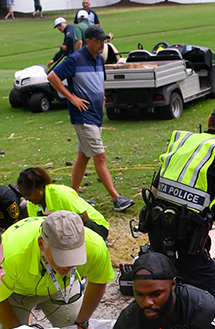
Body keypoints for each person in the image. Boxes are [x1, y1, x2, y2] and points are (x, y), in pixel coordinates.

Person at [147, 101, 215, 300]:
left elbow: (155, 189)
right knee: (206, 289)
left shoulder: (182, 141)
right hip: (188, 237)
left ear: (209, 120)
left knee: (165, 274)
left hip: (157, 224)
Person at [48, 25, 135, 212]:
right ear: (88, 41)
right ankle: (116, 198)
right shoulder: (75, 59)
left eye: (104, 41)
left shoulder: (99, 59)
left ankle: (72, 196)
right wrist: (71, 98)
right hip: (83, 116)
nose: (102, 44)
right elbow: (52, 77)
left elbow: (101, 81)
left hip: (96, 115)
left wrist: (102, 98)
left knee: (84, 156)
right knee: (100, 156)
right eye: (98, 41)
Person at [16, 166, 110, 239]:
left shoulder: (62, 194)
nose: (26, 198)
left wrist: (59, 218)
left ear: (40, 188)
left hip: (95, 227)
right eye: (24, 195)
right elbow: (36, 227)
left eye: (29, 194)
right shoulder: (31, 204)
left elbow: (84, 218)